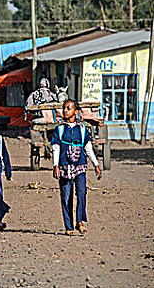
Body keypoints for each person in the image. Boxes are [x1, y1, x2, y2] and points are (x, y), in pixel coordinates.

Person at [51, 99, 102, 236]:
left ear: (76, 111)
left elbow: (88, 148)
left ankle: (79, 221)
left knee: (81, 193)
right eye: (64, 108)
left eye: (69, 108)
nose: (65, 111)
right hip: (64, 167)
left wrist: (96, 165)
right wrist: (56, 165)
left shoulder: (82, 128)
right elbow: (56, 148)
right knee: (66, 196)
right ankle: (69, 226)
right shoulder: (60, 129)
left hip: (80, 166)